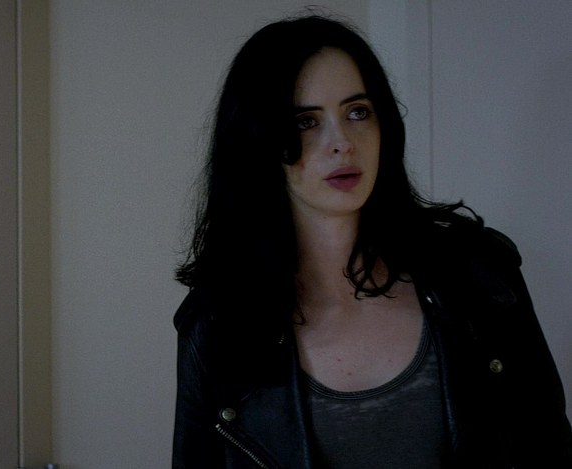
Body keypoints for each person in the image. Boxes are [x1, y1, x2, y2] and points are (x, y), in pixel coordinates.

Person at [172, 14, 572, 468]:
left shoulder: (480, 276)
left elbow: (550, 449)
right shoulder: (218, 325)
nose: (342, 142)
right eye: (305, 121)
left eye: (358, 112)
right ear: (257, 140)